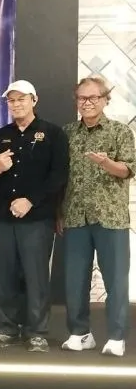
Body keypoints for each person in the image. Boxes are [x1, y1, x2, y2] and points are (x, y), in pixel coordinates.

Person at [0, 80, 69, 352]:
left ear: (34, 100)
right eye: (11, 100)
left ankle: (37, 332)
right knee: (3, 275)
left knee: (36, 276)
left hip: (36, 218)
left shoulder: (52, 134)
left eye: (21, 99)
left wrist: (30, 200)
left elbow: (59, 176)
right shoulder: (0, 136)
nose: (16, 104)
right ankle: (6, 328)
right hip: (2, 218)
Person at [60, 75, 134, 357]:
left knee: (116, 280)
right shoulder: (68, 133)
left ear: (105, 100)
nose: (87, 103)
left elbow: (128, 170)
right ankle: (80, 333)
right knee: (74, 280)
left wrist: (107, 163)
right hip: (75, 215)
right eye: (82, 98)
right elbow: (60, 176)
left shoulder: (119, 131)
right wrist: (58, 212)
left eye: (93, 97)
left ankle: (116, 337)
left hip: (110, 217)